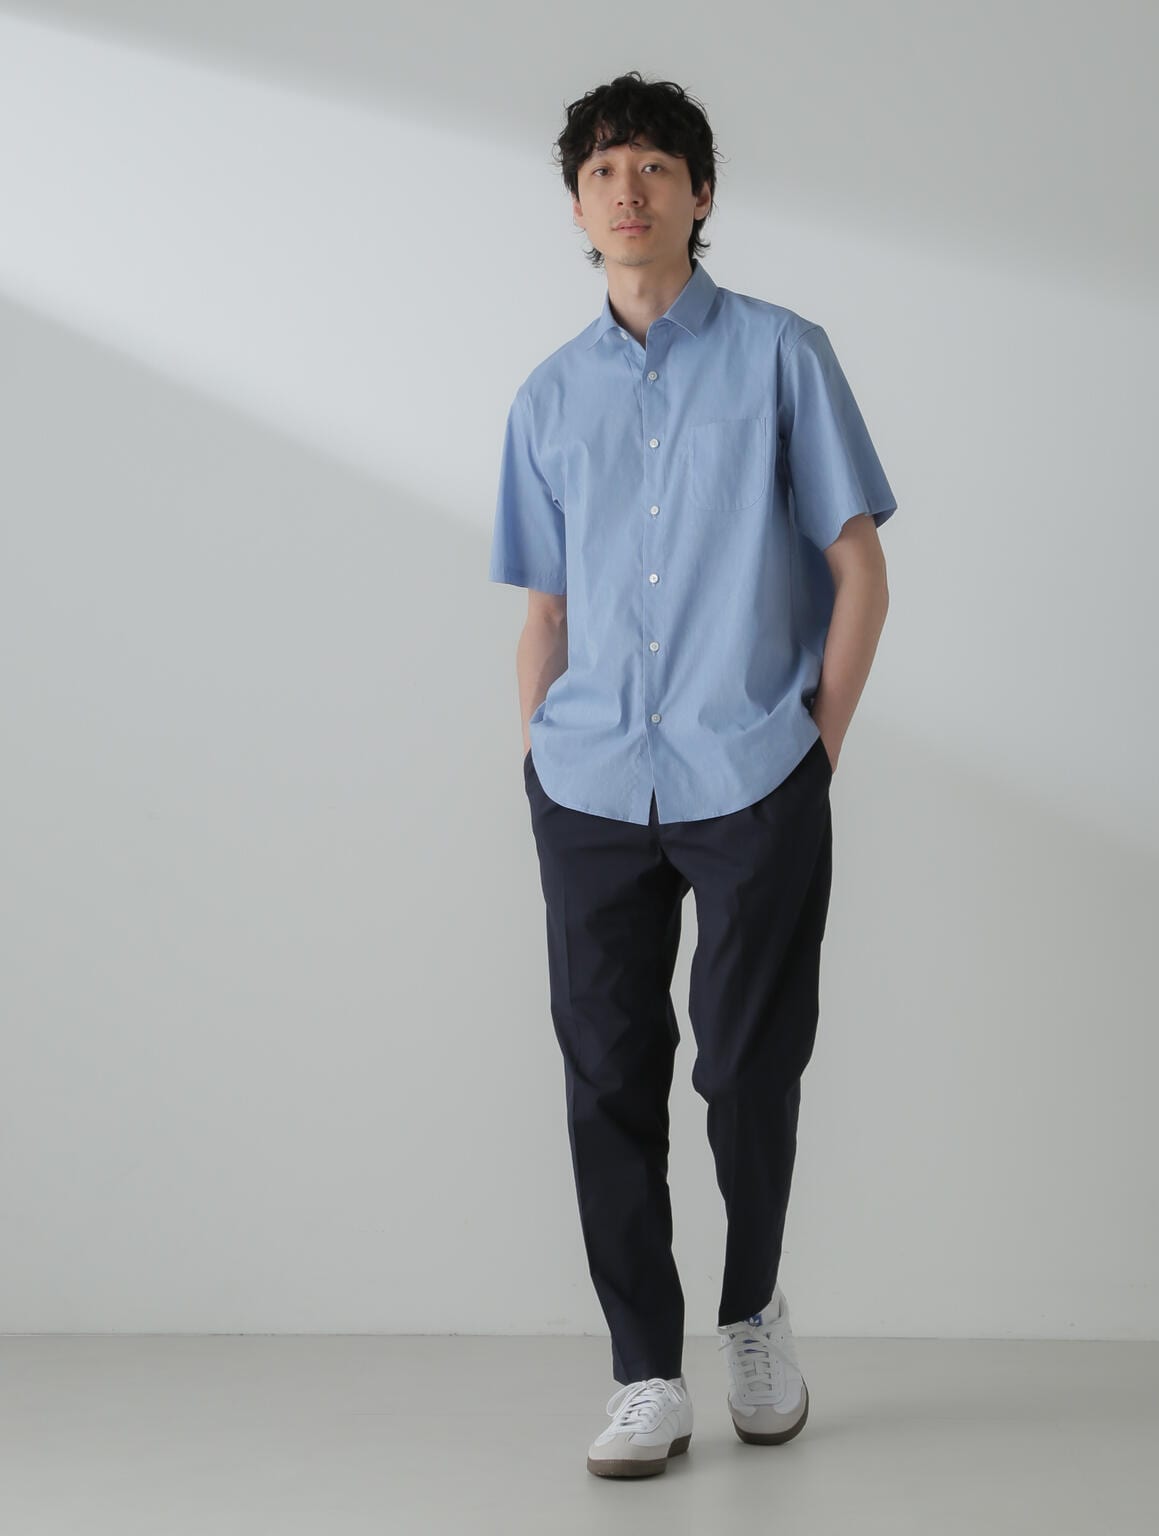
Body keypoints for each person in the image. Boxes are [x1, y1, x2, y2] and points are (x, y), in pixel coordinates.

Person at [488, 70, 897, 1479]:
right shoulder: (547, 398)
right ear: (577, 205)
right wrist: (538, 764)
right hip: (590, 786)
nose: (629, 188)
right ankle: (645, 1372)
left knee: (747, 1069)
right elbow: (543, 611)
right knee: (606, 1075)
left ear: (700, 194)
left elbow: (859, 569)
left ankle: (754, 1313)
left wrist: (813, 752)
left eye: (655, 165)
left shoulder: (783, 355)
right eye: (603, 169)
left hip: (754, 773)